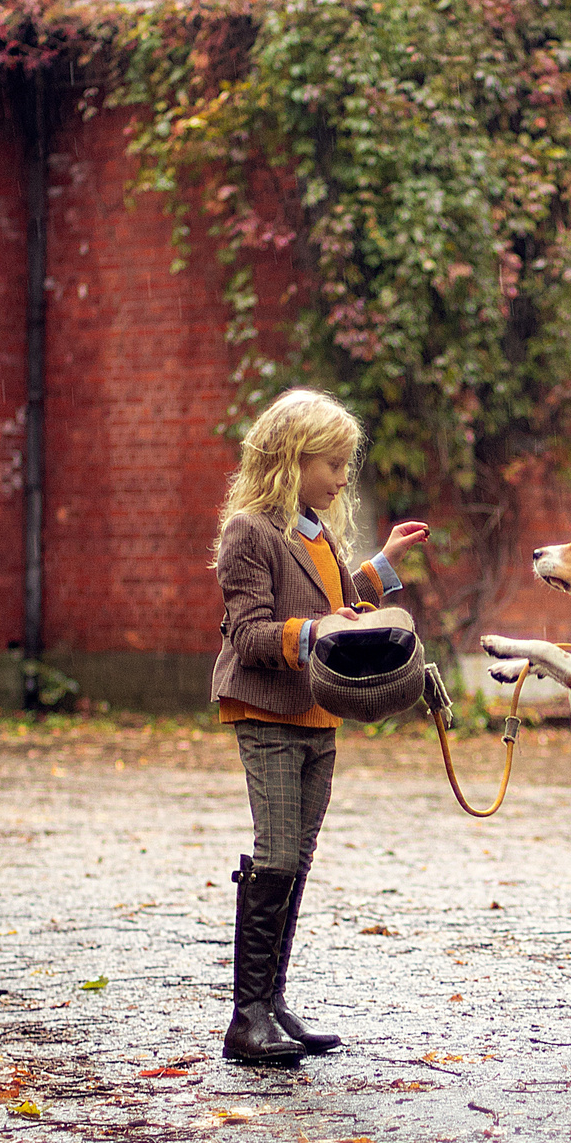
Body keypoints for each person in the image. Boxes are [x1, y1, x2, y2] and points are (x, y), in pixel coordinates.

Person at [210, 388, 428, 1063]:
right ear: (290, 459)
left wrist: (381, 565)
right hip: (268, 711)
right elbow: (249, 635)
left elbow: (333, 600)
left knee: (296, 862)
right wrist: (321, 631)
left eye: (344, 465)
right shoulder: (250, 532)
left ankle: (273, 1002)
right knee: (274, 856)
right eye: (331, 464)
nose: (341, 478)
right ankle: (245, 1017)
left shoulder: (315, 531)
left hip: (317, 712)